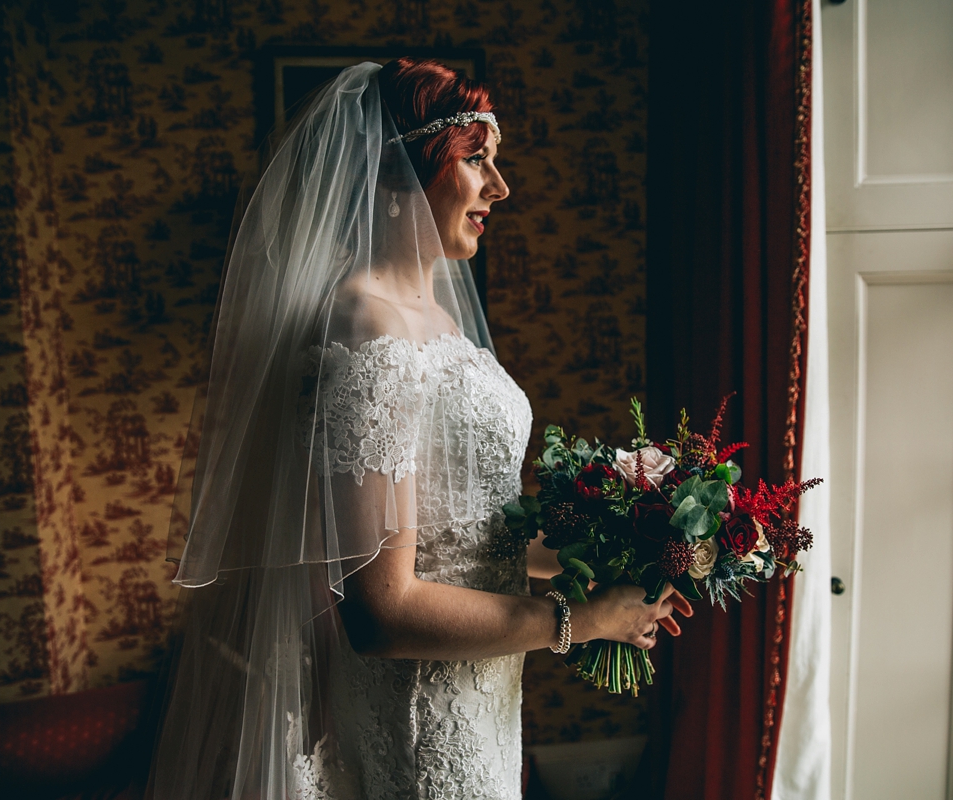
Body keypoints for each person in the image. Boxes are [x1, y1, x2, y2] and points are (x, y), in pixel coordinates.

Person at [146, 58, 692, 800]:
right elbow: (383, 609)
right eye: (476, 161)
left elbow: (465, 538)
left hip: (486, 705)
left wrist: (621, 547)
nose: (500, 187)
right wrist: (581, 619)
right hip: (417, 721)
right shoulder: (366, 326)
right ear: (400, 172)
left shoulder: (439, 322)